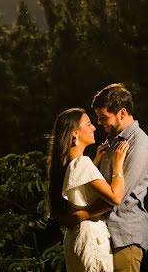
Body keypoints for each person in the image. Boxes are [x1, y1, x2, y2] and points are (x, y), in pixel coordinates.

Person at [60, 83, 148, 272]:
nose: (99, 123)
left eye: (103, 117)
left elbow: (116, 198)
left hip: (125, 236)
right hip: (105, 234)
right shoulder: (111, 141)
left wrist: (81, 216)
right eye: (97, 117)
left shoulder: (138, 145)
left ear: (122, 113)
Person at [47, 107, 129, 272]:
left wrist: (95, 163)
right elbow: (115, 197)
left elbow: (79, 192)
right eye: (89, 124)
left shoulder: (66, 166)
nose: (94, 128)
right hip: (91, 240)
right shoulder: (82, 163)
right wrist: (118, 165)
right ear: (75, 133)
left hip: (76, 239)